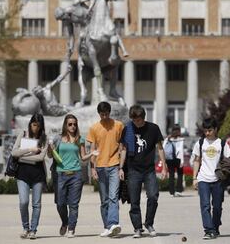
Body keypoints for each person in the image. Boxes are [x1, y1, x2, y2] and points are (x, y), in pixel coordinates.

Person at [119, 105, 168, 238]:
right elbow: (123, 149)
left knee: (153, 196)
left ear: (143, 118)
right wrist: (120, 168)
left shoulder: (153, 128)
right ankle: (137, 228)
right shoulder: (127, 129)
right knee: (134, 200)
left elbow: (160, 148)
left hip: (149, 170)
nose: (137, 123)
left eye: (139, 120)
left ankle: (149, 223)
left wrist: (164, 167)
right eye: (134, 120)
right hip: (133, 169)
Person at [48, 114, 97, 238]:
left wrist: (92, 153)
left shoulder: (79, 139)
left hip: (76, 175)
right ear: (65, 125)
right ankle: (65, 222)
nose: (73, 126)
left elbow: (83, 158)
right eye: (70, 124)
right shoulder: (58, 138)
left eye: (75, 124)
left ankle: (71, 228)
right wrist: (50, 148)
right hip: (60, 174)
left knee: (73, 204)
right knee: (60, 203)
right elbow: (50, 155)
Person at [87, 102, 124, 237]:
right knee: (104, 200)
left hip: (114, 164)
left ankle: (114, 223)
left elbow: (122, 145)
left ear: (110, 112)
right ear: (99, 114)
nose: (104, 116)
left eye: (106, 114)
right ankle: (107, 227)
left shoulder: (118, 125)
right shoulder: (94, 128)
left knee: (113, 197)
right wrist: (93, 169)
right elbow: (92, 150)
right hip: (100, 167)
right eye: (102, 114)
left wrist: (121, 167)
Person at [192, 118, 230, 240]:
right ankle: (209, 230)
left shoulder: (222, 143)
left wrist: (226, 170)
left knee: (217, 206)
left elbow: (229, 160)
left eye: (210, 130)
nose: (207, 133)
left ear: (215, 129)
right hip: (203, 178)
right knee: (205, 205)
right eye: (205, 131)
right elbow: (196, 160)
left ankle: (215, 227)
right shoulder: (200, 143)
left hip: (218, 180)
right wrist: (194, 178)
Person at [11, 113, 49, 240]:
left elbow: (40, 157)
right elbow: (14, 152)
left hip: (37, 175)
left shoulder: (44, 138)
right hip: (22, 174)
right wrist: (30, 150)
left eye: (38, 126)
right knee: (23, 202)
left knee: (36, 204)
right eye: (34, 125)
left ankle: (33, 230)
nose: (35, 128)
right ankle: (25, 227)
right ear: (30, 124)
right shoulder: (23, 134)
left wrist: (22, 157)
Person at [163, 124, 184, 197]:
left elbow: (163, 148)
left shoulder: (167, 138)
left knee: (171, 175)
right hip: (178, 158)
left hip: (169, 159)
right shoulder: (180, 139)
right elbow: (180, 150)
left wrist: (164, 160)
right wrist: (182, 161)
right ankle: (178, 190)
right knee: (180, 174)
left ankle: (172, 192)